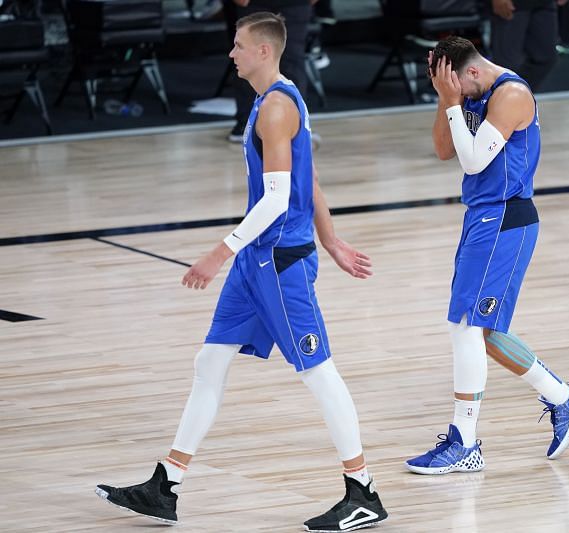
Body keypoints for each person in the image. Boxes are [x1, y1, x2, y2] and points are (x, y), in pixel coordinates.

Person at [94, 13, 388, 532]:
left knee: (320, 374)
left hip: (277, 264)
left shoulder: (277, 107)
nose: (231, 53)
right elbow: (308, 179)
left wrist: (218, 253)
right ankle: (166, 486)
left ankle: (363, 491)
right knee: (210, 361)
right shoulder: (271, 98)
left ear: (264, 53)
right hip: (258, 263)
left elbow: (277, 198)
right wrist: (332, 239)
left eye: (238, 46)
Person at [405, 36, 569, 475]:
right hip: (482, 218)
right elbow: (443, 149)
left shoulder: (511, 95)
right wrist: (444, 98)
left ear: (470, 72)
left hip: (506, 218)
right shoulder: (465, 92)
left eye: (456, 86)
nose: (458, 97)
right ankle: (565, 396)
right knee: (482, 334)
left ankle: (465, 443)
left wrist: (453, 103)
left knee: (466, 328)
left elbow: (471, 163)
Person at [225, 0, 312, 142]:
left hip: (295, 4)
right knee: (249, 62)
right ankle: (247, 124)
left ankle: (296, 126)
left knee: (293, 62)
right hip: (254, 4)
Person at [490, 0, 563, 92]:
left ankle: (514, 98)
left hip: (545, 3)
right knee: (507, 67)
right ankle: (495, 100)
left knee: (546, 58)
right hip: (513, 5)